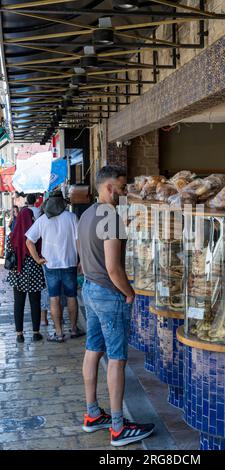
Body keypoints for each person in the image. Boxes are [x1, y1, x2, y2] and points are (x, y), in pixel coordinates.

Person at [78, 165, 154, 447]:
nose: (124, 194)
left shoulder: (86, 214)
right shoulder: (110, 215)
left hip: (89, 289)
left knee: (93, 350)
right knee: (117, 359)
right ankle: (119, 428)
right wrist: (129, 292)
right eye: (122, 188)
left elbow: (83, 257)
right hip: (109, 294)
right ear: (109, 188)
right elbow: (112, 267)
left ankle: (93, 414)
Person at [25, 190, 84, 343]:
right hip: (70, 263)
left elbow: (29, 241)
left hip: (50, 265)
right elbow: (79, 241)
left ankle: (58, 333)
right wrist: (81, 260)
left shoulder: (42, 219)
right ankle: (73, 329)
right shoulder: (72, 217)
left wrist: (38, 259)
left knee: (54, 298)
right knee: (72, 296)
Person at [6, 207, 44, 343]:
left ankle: (19, 334)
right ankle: (35, 332)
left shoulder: (11, 236)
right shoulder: (34, 235)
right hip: (34, 273)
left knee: (18, 303)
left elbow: (9, 254)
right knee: (35, 302)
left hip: (18, 273)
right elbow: (40, 252)